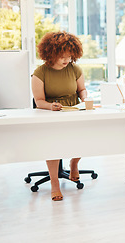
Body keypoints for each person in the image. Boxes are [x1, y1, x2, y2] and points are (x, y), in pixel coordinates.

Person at [32, 31, 87, 201]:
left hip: (74, 110)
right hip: (51, 114)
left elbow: (81, 90)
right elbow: (39, 101)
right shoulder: (40, 73)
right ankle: (54, 184)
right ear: (51, 53)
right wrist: (51, 106)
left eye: (69, 56)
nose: (66, 60)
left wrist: (85, 99)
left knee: (85, 138)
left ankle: (74, 163)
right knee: (53, 146)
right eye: (62, 56)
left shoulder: (75, 69)